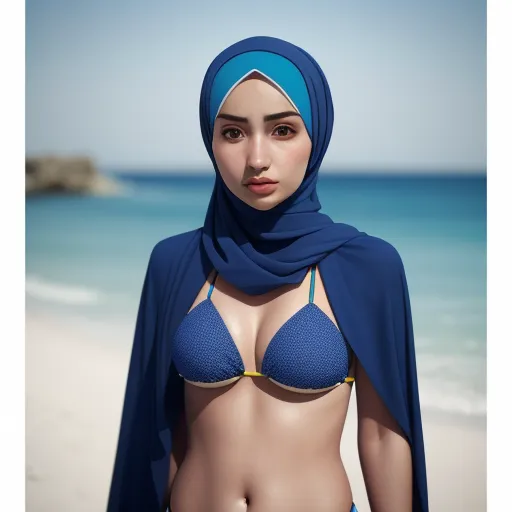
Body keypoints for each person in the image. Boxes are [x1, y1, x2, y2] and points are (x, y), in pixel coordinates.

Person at [107, 36, 428, 512]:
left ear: (316, 136)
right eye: (233, 133)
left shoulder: (368, 267)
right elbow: (156, 429)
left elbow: (383, 440)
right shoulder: (175, 263)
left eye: (282, 130)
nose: (257, 158)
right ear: (209, 140)